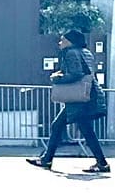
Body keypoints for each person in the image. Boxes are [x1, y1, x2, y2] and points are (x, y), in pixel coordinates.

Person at [30, 28, 109, 174]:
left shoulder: (71, 52)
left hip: (79, 99)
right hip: (89, 94)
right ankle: (101, 163)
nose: (60, 42)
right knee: (85, 130)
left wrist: (57, 78)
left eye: (62, 39)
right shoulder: (86, 52)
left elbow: (76, 74)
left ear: (70, 41)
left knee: (59, 125)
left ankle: (47, 160)